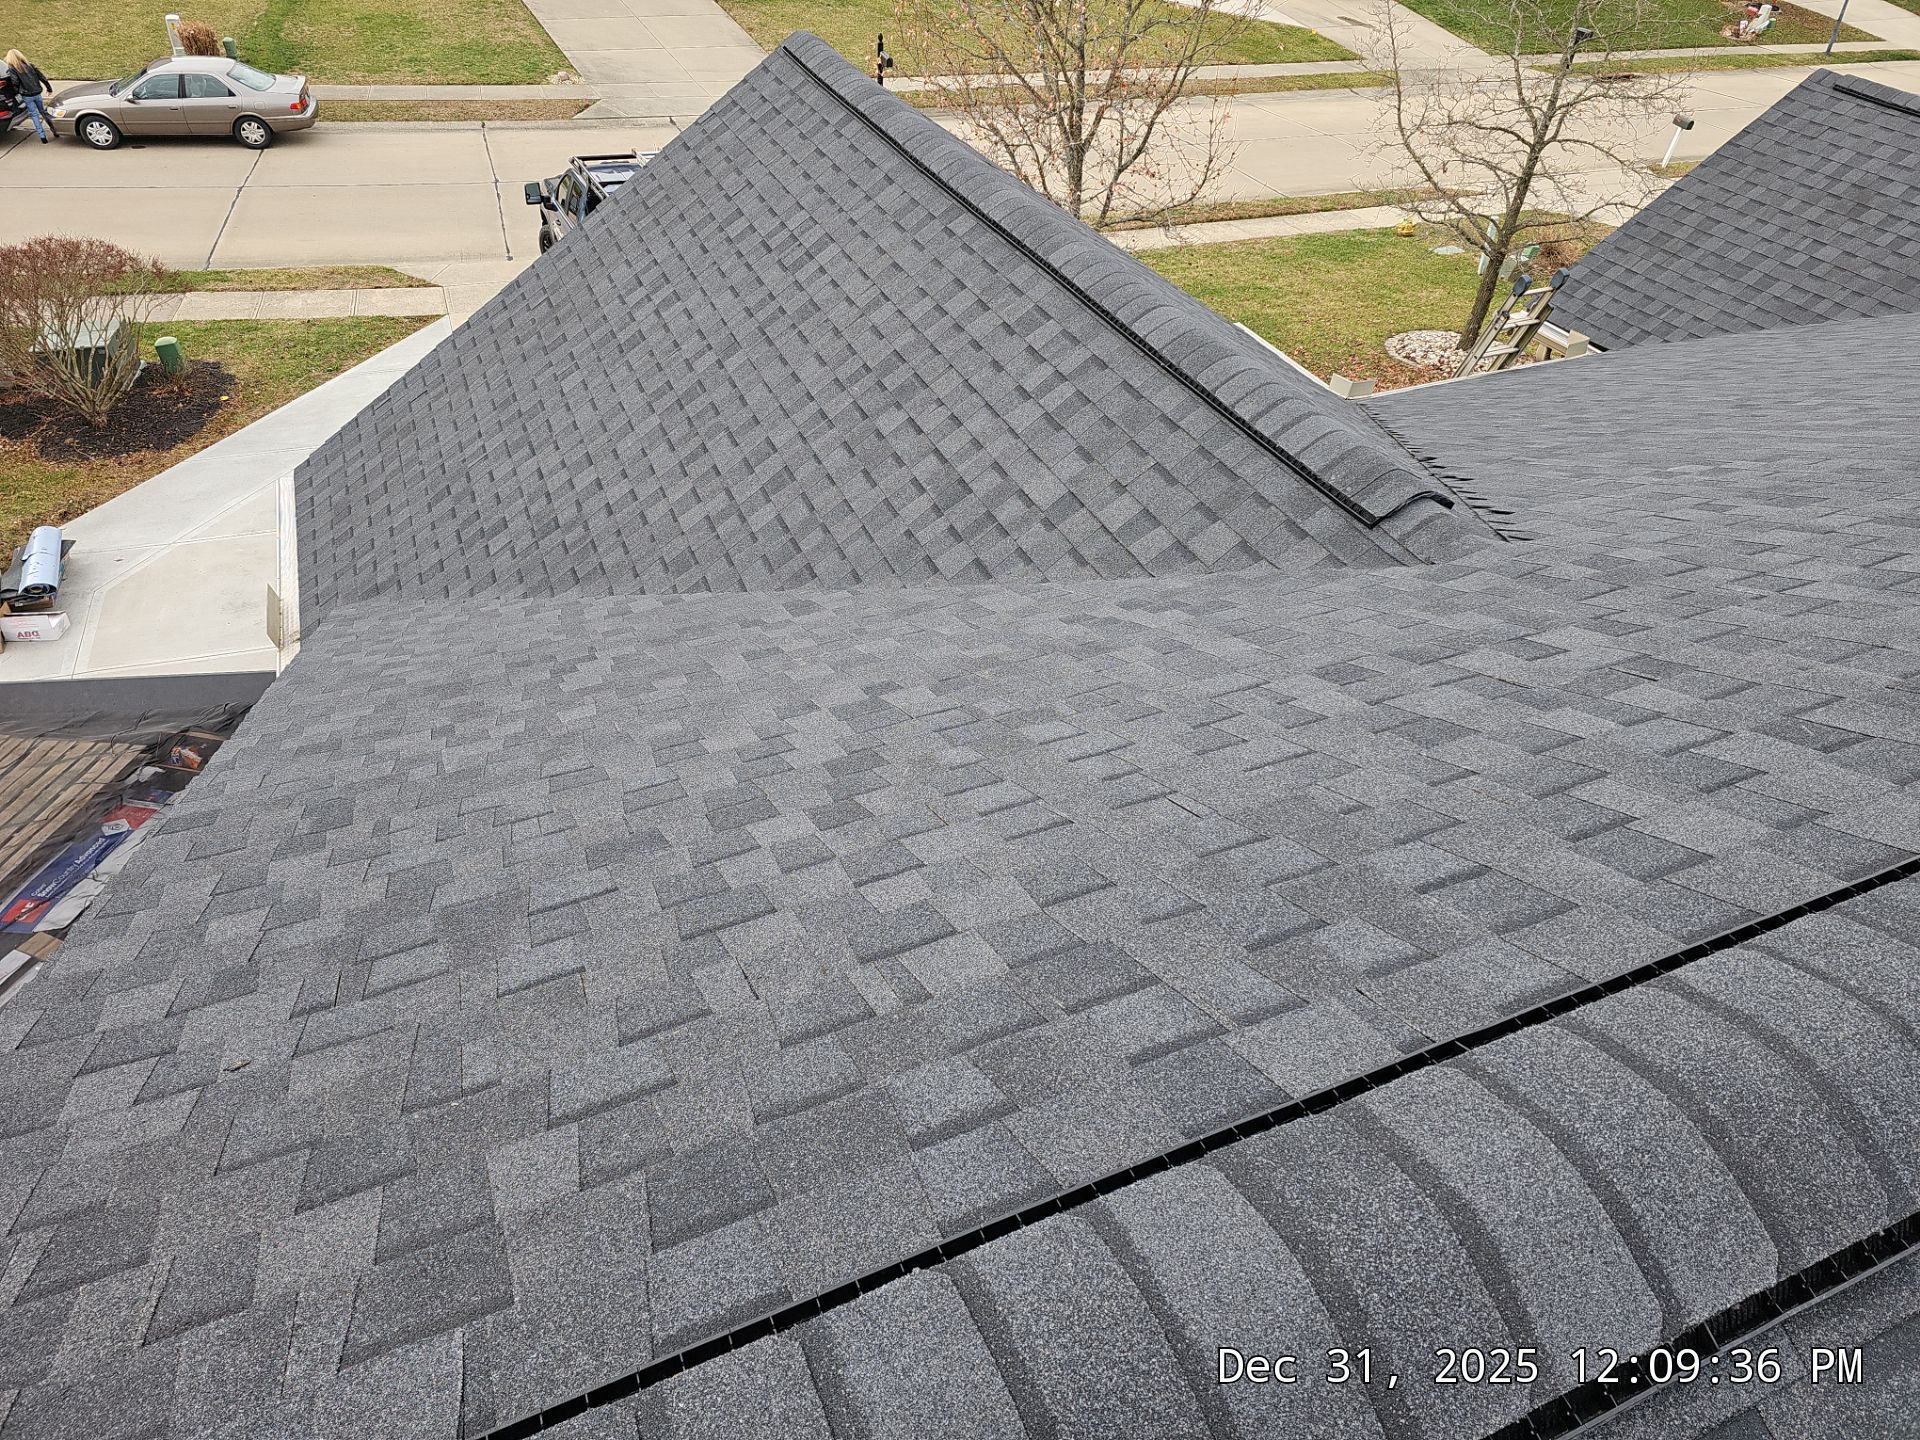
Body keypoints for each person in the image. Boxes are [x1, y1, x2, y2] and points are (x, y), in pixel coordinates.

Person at [4, 50, 53, 143]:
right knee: (43, 112)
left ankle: (43, 137)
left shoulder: (12, 69)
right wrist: (49, 88)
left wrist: (15, 93)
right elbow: (42, 77)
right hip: (37, 93)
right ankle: (54, 130)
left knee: (34, 115)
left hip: (27, 95)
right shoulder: (30, 65)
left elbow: (15, 82)